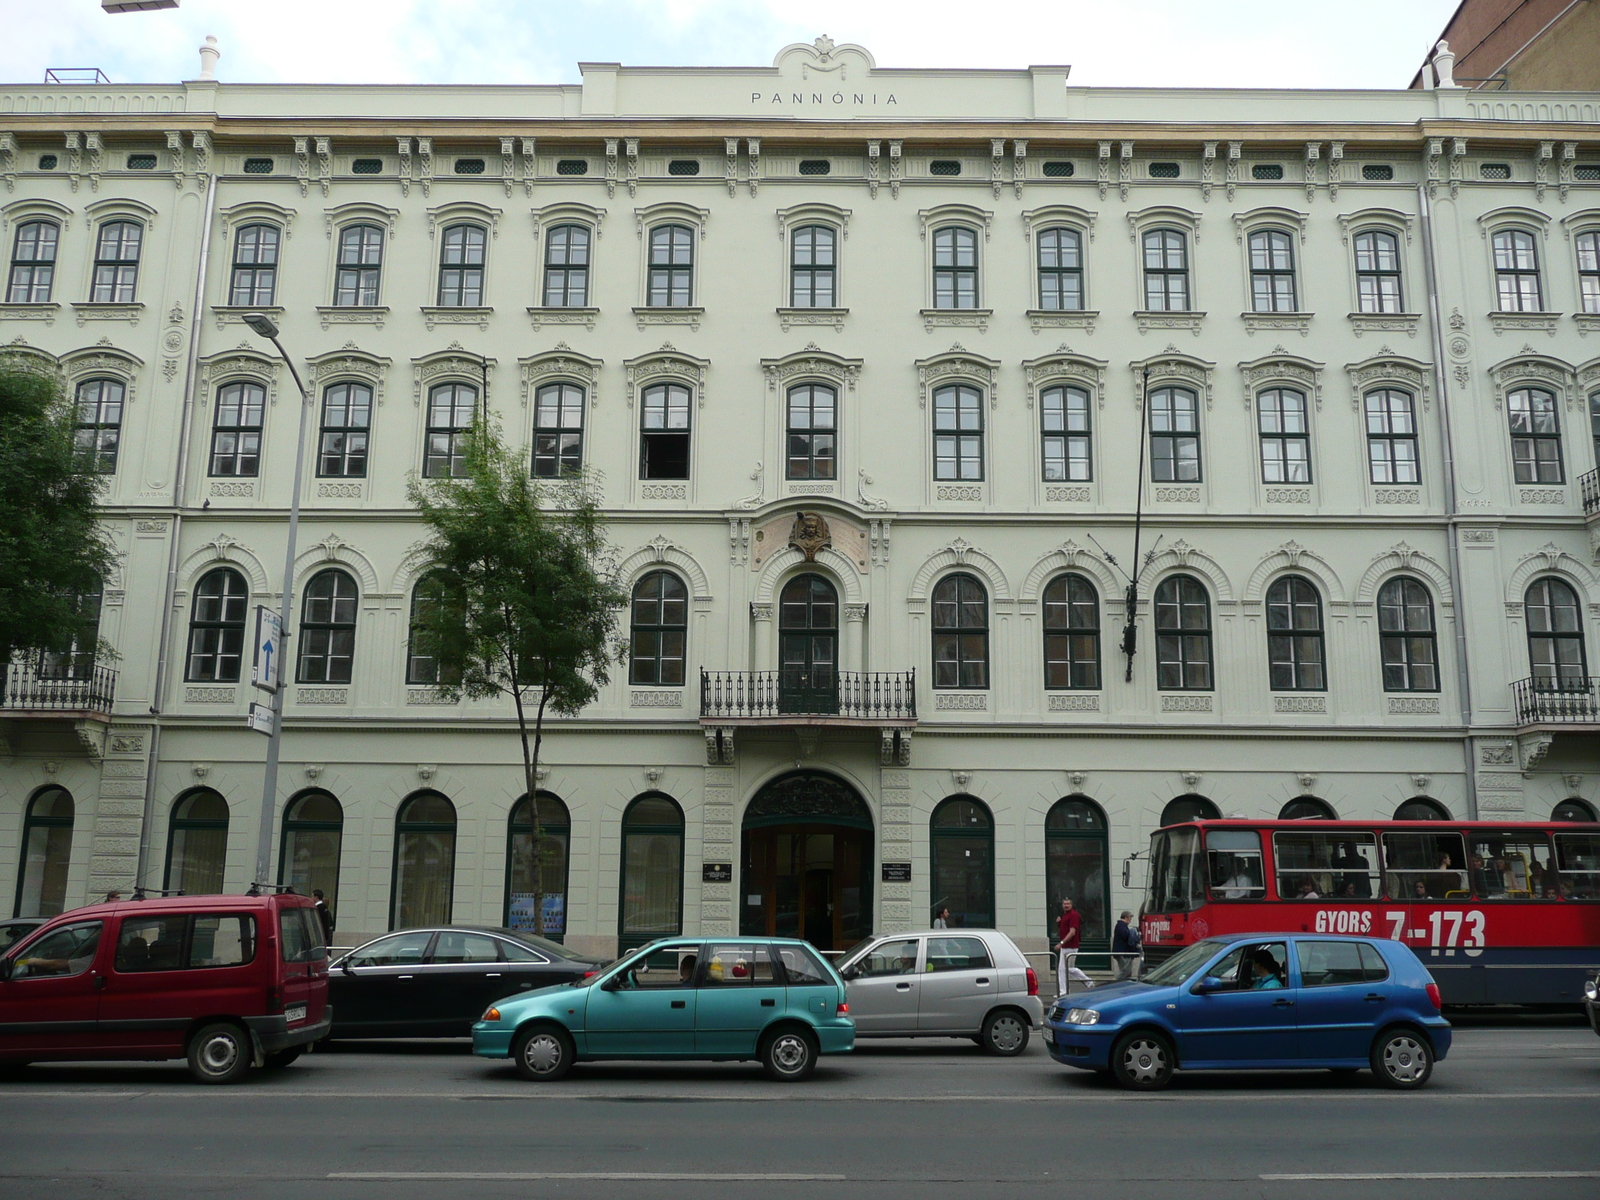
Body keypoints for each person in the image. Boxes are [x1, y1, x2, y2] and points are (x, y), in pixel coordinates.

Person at [1053, 897, 1093, 996]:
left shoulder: (1074, 915)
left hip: (1070, 946)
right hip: (1065, 946)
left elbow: (1072, 932)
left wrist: (1061, 943)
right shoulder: (1065, 915)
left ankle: (1088, 981)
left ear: (1071, 905)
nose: (1066, 905)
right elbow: (1064, 929)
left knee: (1069, 968)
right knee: (1062, 969)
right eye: (1064, 904)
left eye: (1068, 904)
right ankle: (1063, 991)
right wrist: (1058, 923)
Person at [1111, 911, 1142, 981]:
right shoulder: (1121, 925)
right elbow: (1125, 936)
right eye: (1130, 918)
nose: (1130, 920)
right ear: (1126, 917)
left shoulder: (1121, 925)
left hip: (1123, 952)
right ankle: (1114, 982)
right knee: (1125, 971)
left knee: (1127, 971)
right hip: (1123, 952)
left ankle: (1123, 984)